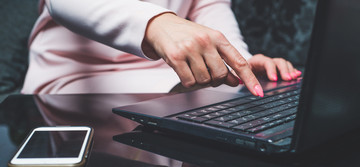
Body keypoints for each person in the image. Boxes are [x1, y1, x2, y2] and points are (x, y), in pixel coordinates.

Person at [22, 0, 301, 95]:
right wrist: (155, 24)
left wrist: (238, 59)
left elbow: (209, 5)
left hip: (168, 74)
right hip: (75, 82)